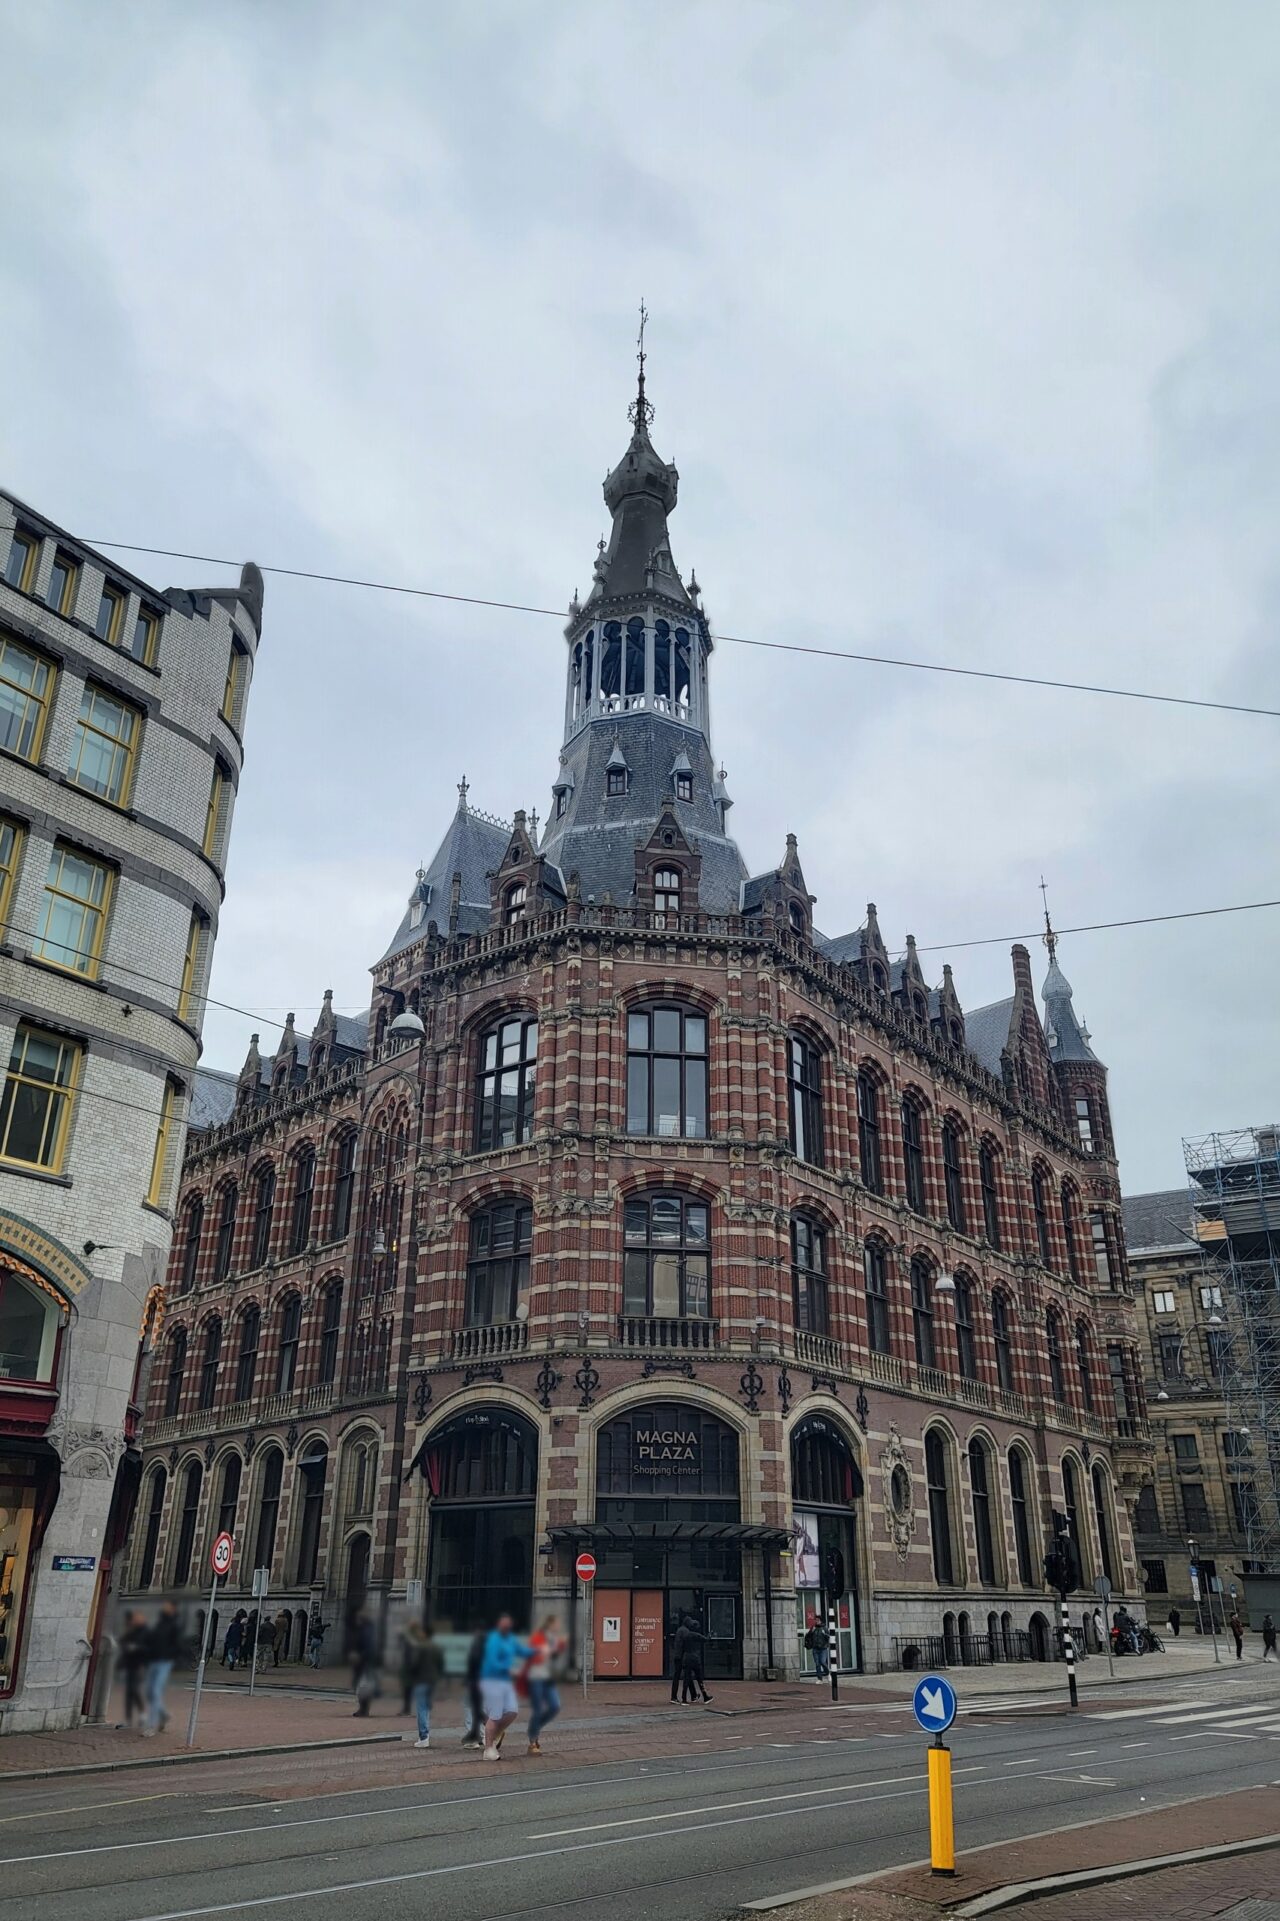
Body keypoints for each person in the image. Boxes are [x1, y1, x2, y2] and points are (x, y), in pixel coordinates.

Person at [479, 1612, 531, 1760]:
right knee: (495, 1715)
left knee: (512, 1711)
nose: (506, 1627)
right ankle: (488, 1750)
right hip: (492, 1681)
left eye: (508, 1625)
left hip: (506, 1682)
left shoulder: (511, 1639)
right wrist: (510, 1669)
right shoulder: (493, 1640)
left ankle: (492, 1736)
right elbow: (493, 1661)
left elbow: (522, 1651)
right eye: (504, 1624)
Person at [526, 1613, 567, 1755]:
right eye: (556, 1623)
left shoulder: (555, 1639)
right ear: (549, 1624)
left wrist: (560, 1647)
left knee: (555, 1706)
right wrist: (549, 1650)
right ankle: (533, 1742)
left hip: (548, 1678)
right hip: (536, 1677)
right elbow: (534, 1656)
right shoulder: (537, 1637)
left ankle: (534, 1728)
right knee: (537, 1709)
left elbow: (554, 1657)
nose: (558, 1626)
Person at [402, 1618, 444, 1749]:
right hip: (432, 1681)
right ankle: (425, 1735)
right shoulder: (437, 1647)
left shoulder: (421, 1647)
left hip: (421, 1680)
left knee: (421, 1708)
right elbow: (441, 1665)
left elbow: (415, 1664)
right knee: (426, 1707)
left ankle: (424, 1736)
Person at [143, 1601, 181, 1737]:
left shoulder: (174, 1626)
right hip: (153, 1660)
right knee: (149, 1692)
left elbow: (176, 1645)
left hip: (164, 1662)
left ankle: (151, 1725)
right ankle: (163, 1714)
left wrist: (170, 1656)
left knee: (155, 1691)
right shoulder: (158, 1623)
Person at [120, 1611, 150, 1730]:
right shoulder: (132, 1632)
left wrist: (136, 1647)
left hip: (140, 1665)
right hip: (130, 1664)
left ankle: (142, 1714)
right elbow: (123, 1642)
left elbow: (148, 1648)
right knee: (129, 1692)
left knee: (134, 1689)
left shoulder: (145, 1632)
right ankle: (128, 1719)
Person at [349, 1609, 379, 1715]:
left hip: (365, 1662)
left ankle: (363, 1709)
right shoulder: (367, 1629)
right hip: (366, 1661)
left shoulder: (366, 1630)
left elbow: (368, 1647)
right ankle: (364, 1709)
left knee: (363, 1686)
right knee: (364, 1685)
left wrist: (359, 1657)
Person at [462, 1625, 487, 1747]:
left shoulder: (476, 1648)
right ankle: (483, 1735)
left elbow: (472, 1665)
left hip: (475, 1681)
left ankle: (472, 1738)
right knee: (480, 1707)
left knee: (469, 1707)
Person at [679, 1611, 712, 1704]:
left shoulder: (685, 1635)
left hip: (686, 1657)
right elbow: (705, 1639)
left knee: (686, 1678)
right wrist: (710, 1635)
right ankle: (705, 1696)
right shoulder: (695, 1635)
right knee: (699, 1678)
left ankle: (684, 1699)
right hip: (694, 1658)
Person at [669, 1614, 690, 1704]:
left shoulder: (680, 1630)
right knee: (684, 1676)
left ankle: (692, 1695)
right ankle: (678, 1697)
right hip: (682, 1656)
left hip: (678, 1655)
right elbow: (686, 1643)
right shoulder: (685, 1631)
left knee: (679, 1676)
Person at [804, 1615, 828, 1680]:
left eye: (818, 1620)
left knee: (822, 1662)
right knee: (817, 1664)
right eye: (816, 1620)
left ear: (820, 1621)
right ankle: (820, 1679)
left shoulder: (824, 1628)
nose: (816, 1621)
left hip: (823, 1648)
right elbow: (808, 1636)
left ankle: (828, 1673)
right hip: (815, 1648)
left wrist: (824, 1634)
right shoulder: (813, 1627)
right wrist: (811, 1631)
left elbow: (828, 1637)